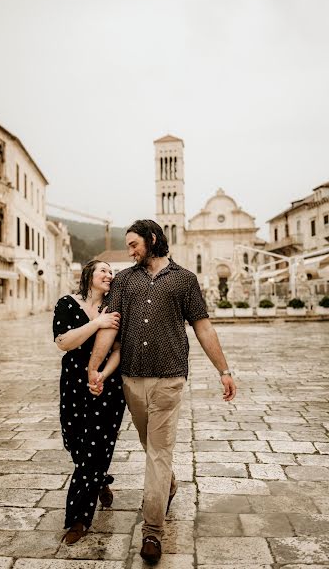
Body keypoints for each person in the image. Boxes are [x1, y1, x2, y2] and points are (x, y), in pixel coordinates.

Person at [88, 219, 236, 564]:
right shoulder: (124, 280)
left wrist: (224, 370)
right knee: (150, 446)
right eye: (127, 246)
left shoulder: (185, 280)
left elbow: (202, 327)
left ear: (152, 239)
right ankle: (166, 484)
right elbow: (110, 328)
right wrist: (94, 367)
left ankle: (153, 532)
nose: (130, 250)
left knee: (158, 451)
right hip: (131, 379)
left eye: (134, 244)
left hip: (169, 379)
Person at [53, 260, 126, 545]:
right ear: (89, 276)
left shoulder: (115, 307)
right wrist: (97, 323)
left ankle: (79, 520)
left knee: (96, 445)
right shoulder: (67, 303)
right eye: (103, 271)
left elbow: (119, 349)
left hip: (107, 385)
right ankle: (100, 481)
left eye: (112, 272)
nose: (109, 275)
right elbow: (63, 342)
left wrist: (102, 376)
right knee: (75, 442)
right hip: (73, 382)